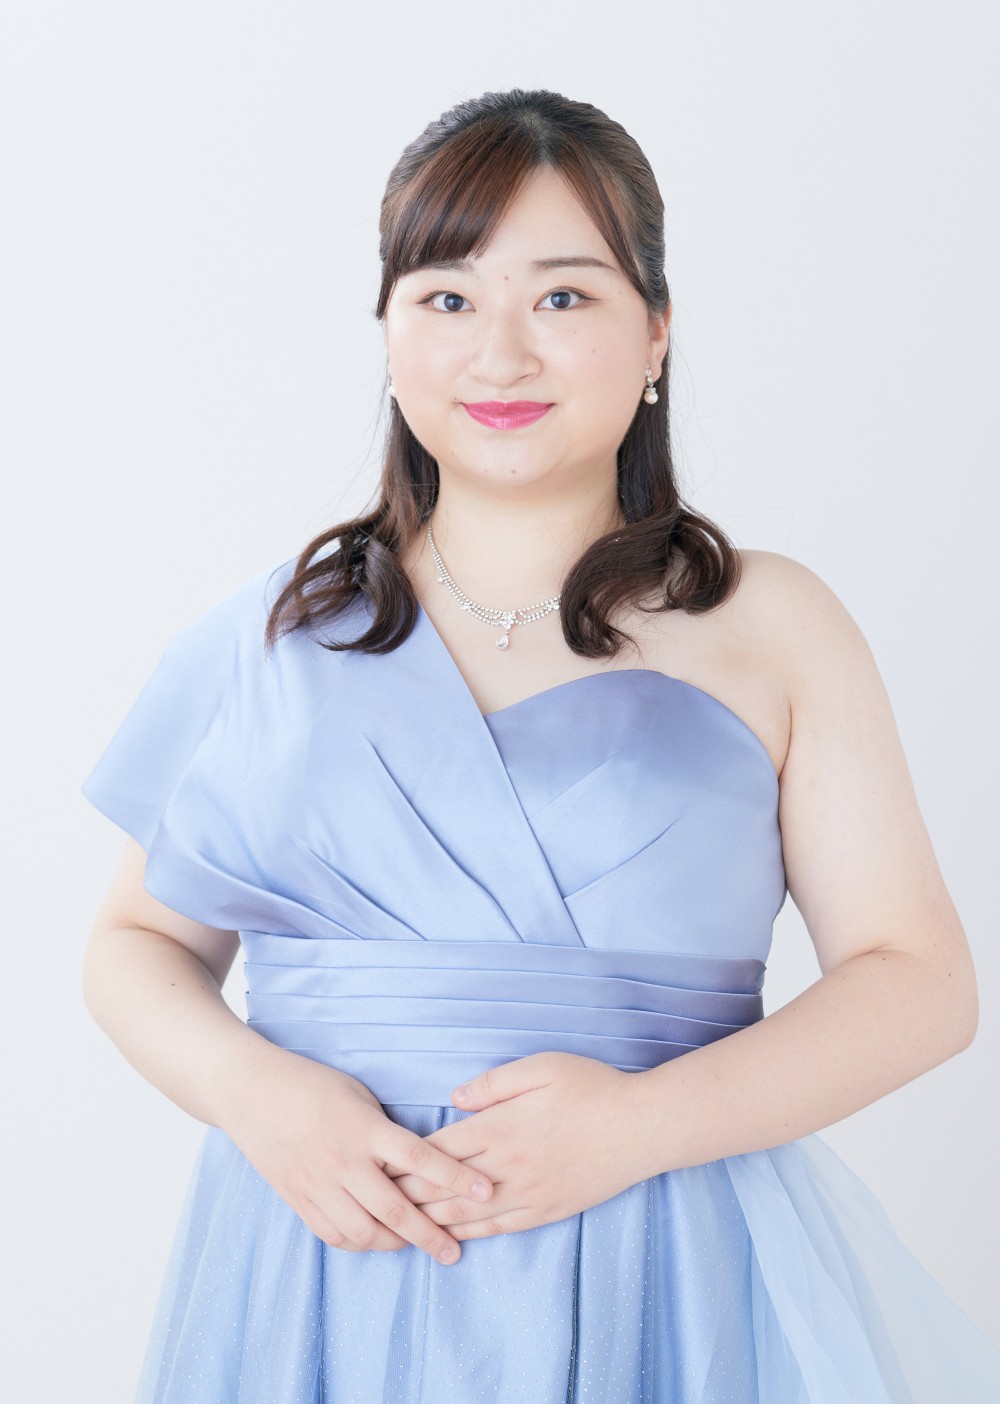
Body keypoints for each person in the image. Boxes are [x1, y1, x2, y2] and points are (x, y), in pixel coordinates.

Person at [81, 87, 1000, 1402]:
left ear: (657, 329)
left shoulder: (772, 624)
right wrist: (254, 1096)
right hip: (322, 1265)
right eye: (448, 298)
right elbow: (135, 945)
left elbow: (920, 981)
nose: (500, 354)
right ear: (389, 332)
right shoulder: (272, 634)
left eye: (562, 296)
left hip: (665, 1262)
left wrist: (639, 1127)